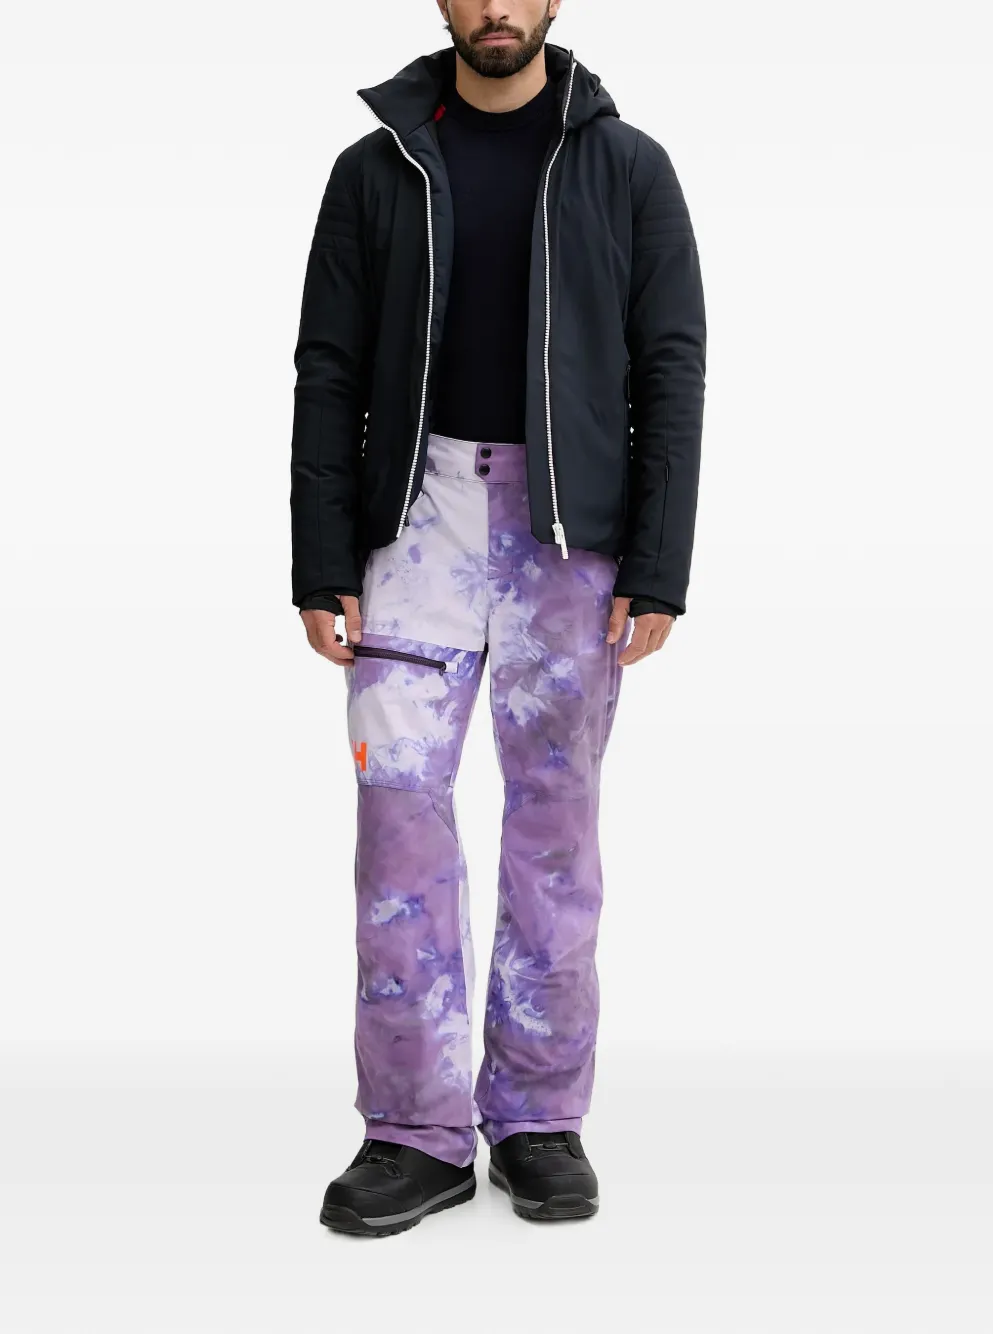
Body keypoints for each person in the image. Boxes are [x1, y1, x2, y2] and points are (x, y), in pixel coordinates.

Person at [290, 0, 706, 1236]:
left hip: (569, 538)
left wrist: (658, 564)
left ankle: (536, 1118)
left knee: (554, 832)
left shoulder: (628, 168)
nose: (497, 8)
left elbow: (670, 367)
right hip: (410, 523)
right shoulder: (375, 170)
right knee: (398, 822)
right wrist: (322, 559)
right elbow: (328, 369)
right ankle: (412, 1130)